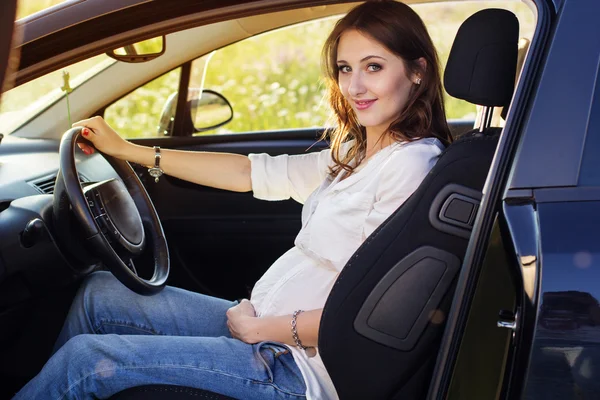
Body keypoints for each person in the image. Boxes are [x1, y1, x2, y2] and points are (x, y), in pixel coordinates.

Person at [14, 1, 452, 399]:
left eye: (373, 67)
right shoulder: (357, 153)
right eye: (345, 68)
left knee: (86, 363)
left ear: (417, 71)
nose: (355, 86)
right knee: (99, 295)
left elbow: (370, 309)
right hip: (262, 327)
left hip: (295, 366)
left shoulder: (409, 167)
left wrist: (264, 328)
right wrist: (130, 150)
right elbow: (249, 172)